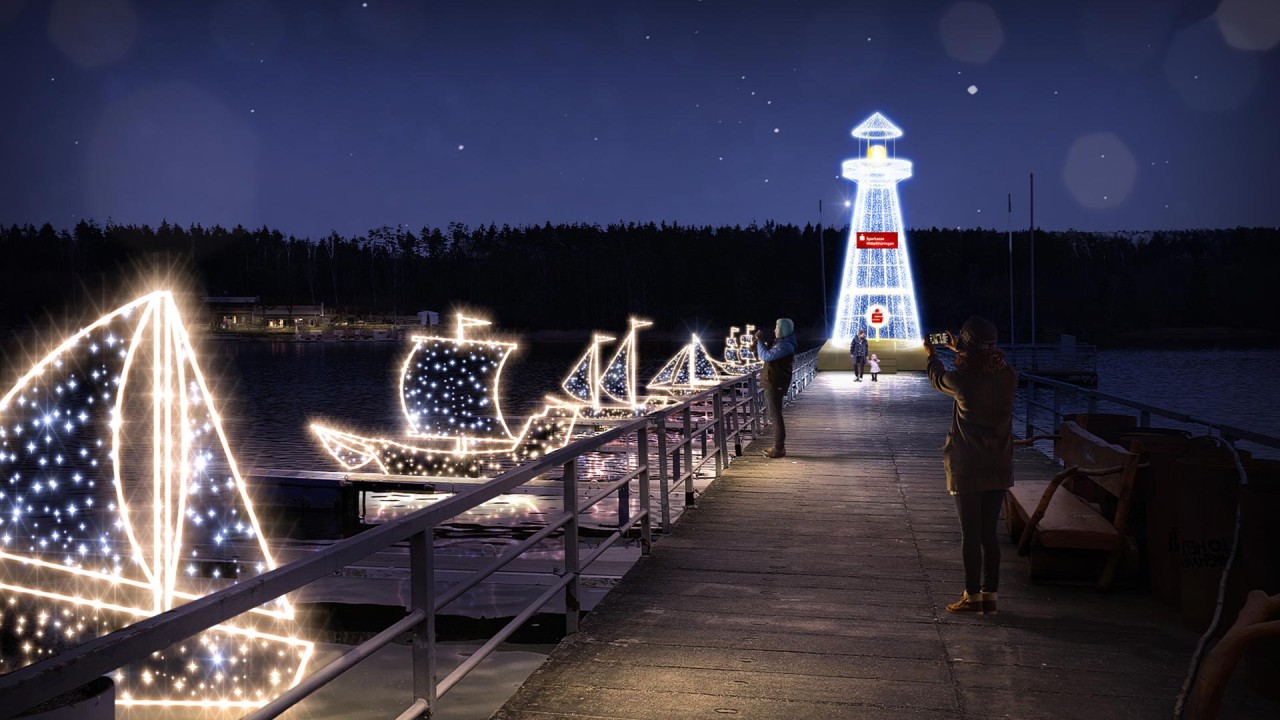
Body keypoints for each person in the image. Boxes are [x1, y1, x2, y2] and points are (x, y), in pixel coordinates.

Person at [924, 316, 1017, 615]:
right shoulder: (1009, 376)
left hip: (967, 466)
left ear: (967, 347)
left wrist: (933, 354)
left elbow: (938, 378)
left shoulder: (961, 381)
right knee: (990, 535)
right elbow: (984, 367)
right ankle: (990, 595)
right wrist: (961, 351)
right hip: (998, 464)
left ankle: (971, 594)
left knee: (970, 535)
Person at [755, 317, 797, 458]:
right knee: (774, 415)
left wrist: (760, 340)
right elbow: (766, 354)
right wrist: (757, 345)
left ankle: (779, 448)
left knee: (775, 416)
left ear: (783, 329)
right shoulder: (781, 343)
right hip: (773, 382)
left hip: (776, 383)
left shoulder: (785, 345)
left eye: (777, 328)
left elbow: (766, 356)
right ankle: (777, 446)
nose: (774, 330)